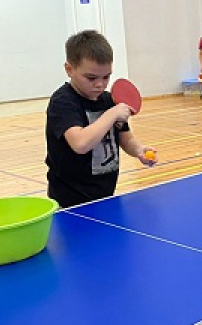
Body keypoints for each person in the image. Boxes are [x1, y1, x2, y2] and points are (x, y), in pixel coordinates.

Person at [46, 30, 157, 208]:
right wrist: (111, 114)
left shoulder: (109, 100)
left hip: (105, 196)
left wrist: (139, 150)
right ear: (69, 69)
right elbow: (80, 144)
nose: (100, 84)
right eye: (91, 77)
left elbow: (126, 139)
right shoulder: (63, 102)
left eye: (106, 77)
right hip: (69, 202)